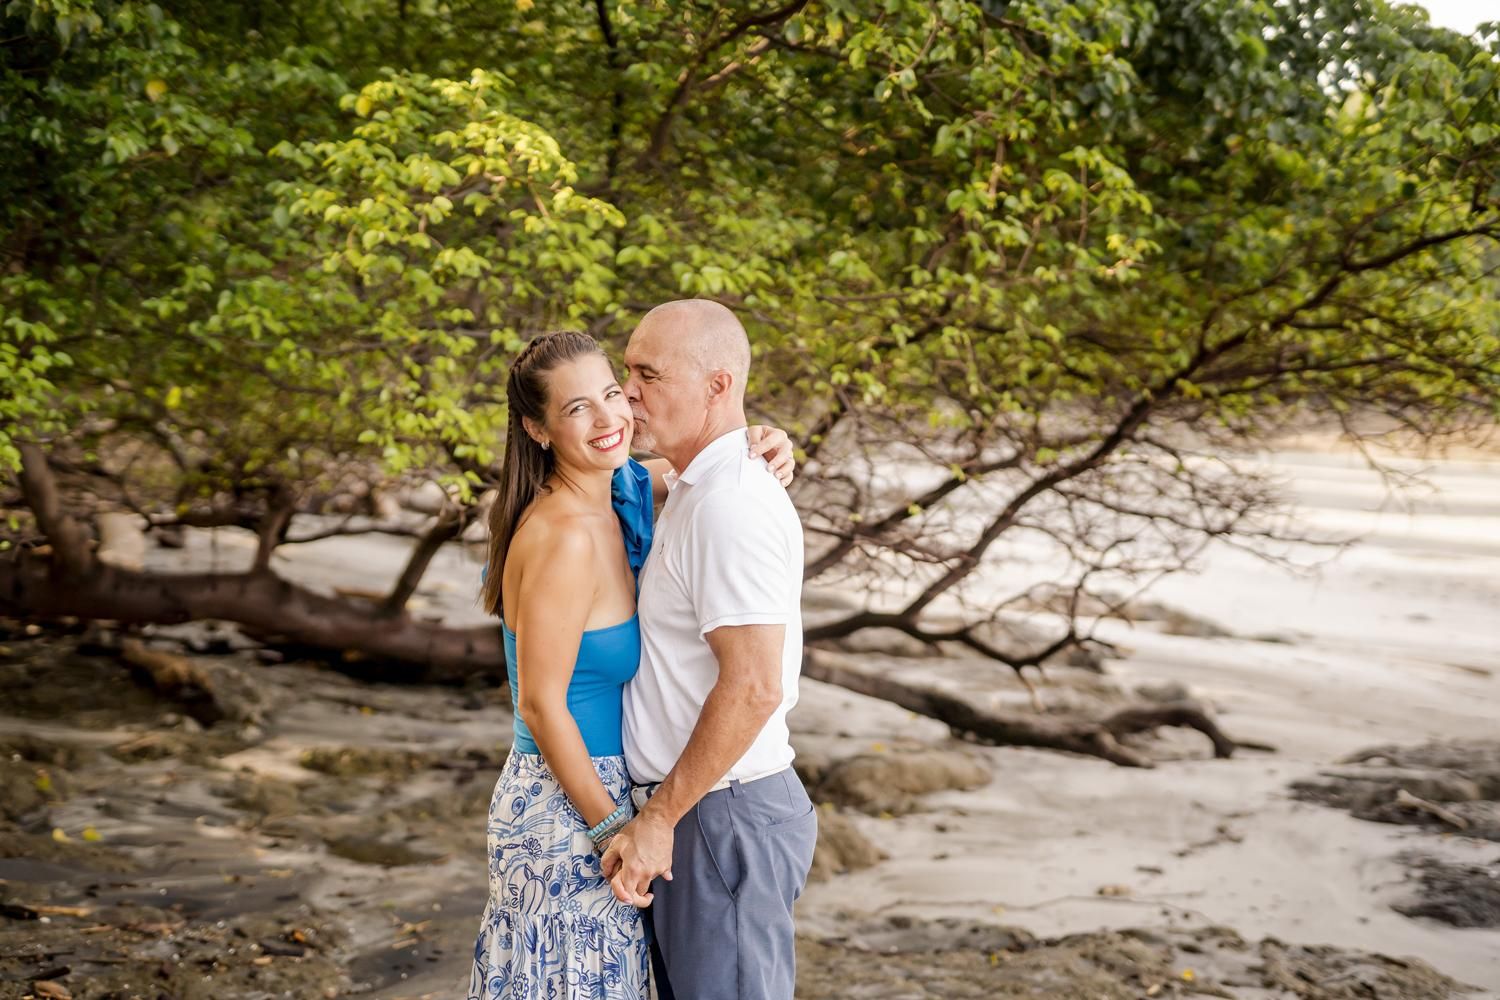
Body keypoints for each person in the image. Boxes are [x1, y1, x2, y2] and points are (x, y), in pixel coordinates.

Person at [465, 330, 796, 1000]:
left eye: (613, 392)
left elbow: (708, 469)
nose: (611, 417)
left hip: (614, 797)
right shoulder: (562, 536)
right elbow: (540, 704)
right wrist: (614, 826)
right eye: (577, 408)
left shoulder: (622, 494)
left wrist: (763, 439)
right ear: (537, 428)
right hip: (567, 804)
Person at [603, 300, 816, 1000]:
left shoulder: (731, 504)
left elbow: (756, 686)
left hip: (718, 816)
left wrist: (660, 817)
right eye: (626, 370)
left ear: (718, 386)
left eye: (647, 374)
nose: (628, 391)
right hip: (699, 810)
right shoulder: (693, 486)